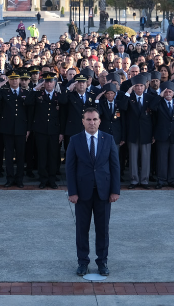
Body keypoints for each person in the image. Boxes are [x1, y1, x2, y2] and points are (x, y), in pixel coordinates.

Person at [67, 106, 120, 276]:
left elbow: (115, 166)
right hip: (82, 194)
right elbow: (70, 168)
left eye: (94, 119)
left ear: (99, 121)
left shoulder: (108, 139)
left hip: (103, 193)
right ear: (83, 121)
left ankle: (102, 262)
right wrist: (72, 192)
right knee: (82, 229)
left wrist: (115, 190)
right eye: (88, 119)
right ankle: (82, 262)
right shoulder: (75, 140)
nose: (92, 122)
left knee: (102, 229)